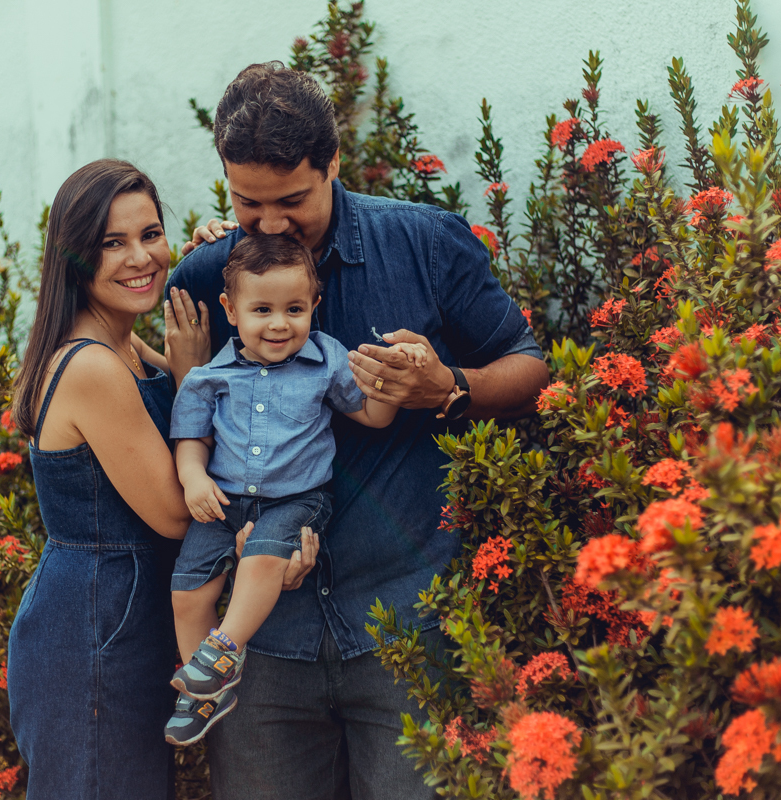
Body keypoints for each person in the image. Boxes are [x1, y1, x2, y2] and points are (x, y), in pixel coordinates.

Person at [167, 63, 550, 799]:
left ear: (333, 162)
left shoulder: (426, 244)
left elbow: (529, 365)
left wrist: (450, 387)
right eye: (247, 203)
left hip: (408, 623)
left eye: (293, 201)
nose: (272, 224)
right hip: (261, 646)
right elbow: (171, 423)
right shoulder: (207, 275)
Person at [3, 159, 319, 799]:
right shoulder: (91, 365)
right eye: (112, 243)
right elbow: (178, 513)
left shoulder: (123, 344)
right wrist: (189, 375)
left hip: (120, 618)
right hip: (92, 628)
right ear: (73, 258)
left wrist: (230, 251)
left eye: (150, 234)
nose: (139, 257)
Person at [164, 235, 426, 746]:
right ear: (231, 310)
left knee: (262, 558)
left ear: (314, 306)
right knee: (187, 590)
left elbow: (371, 416)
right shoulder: (210, 375)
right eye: (262, 309)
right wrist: (193, 478)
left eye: (294, 308)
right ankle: (202, 696)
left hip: (296, 500)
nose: (280, 323)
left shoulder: (326, 361)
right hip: (222, 501)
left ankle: (222, 652)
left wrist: (392, 382)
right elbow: (191, 438)